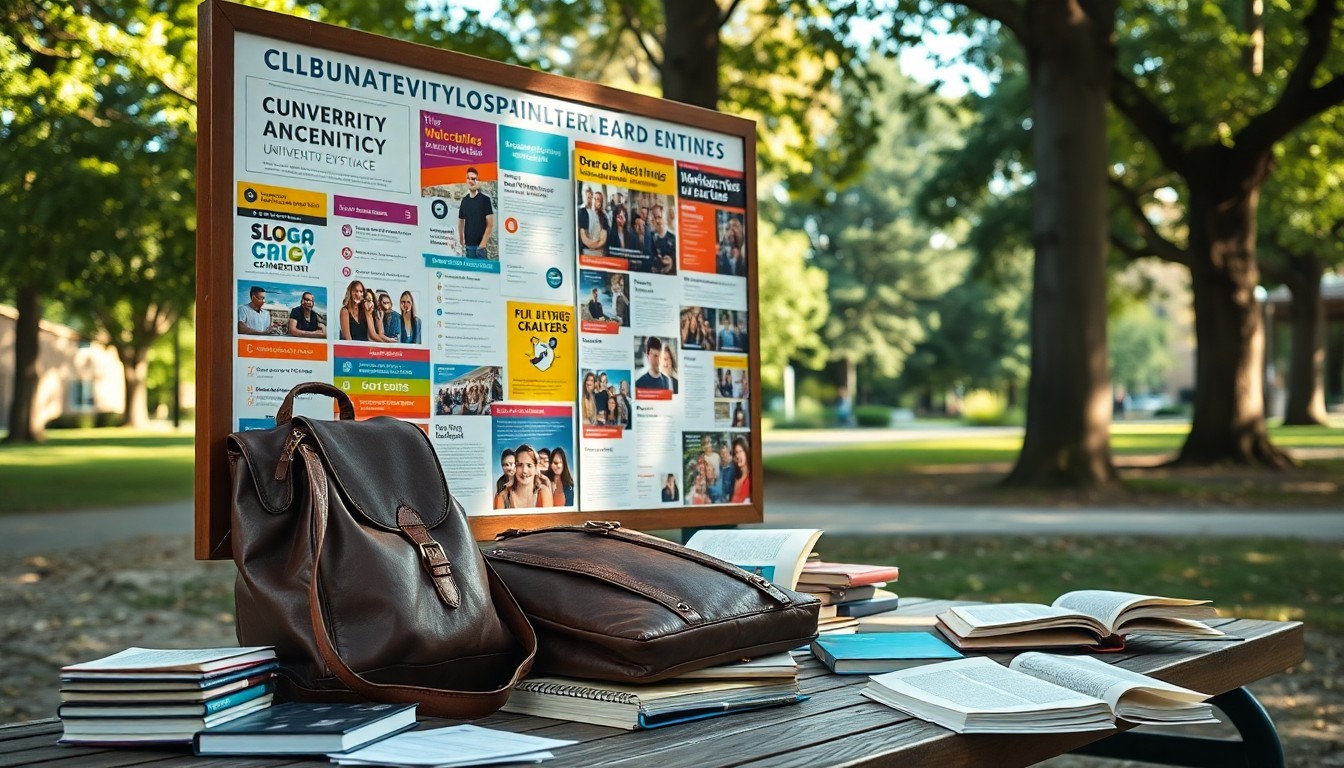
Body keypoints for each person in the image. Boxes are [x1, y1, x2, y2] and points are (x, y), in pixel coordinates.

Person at [493, 444, 554, 509]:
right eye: (519, 465)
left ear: (536, 469)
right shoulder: (502, 497)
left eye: (529, 465)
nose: (524, 471)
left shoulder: (544, 492)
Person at [458, 166, 494, 258]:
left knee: (484, 272)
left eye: (473, 178)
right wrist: (461, 239)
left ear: (478, 181)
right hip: (469, 247)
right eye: (468, 178)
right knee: (469, 272)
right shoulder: (464, 201)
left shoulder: (485, 200)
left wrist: (483, 244)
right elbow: (461, 221)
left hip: (480, 248)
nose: (470, 181)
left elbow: (490, 224)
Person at [648, 205, 676, 272]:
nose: (657, 221)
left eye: (659, 217)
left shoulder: (674, 238)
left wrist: (671, 264)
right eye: (654, 218)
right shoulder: (651, 237)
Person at [730, 436, 751, 503]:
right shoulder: (735, 478)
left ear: (746, 452)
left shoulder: (751, 477)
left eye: (740, 451)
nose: (738, 456)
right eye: (736, 452)